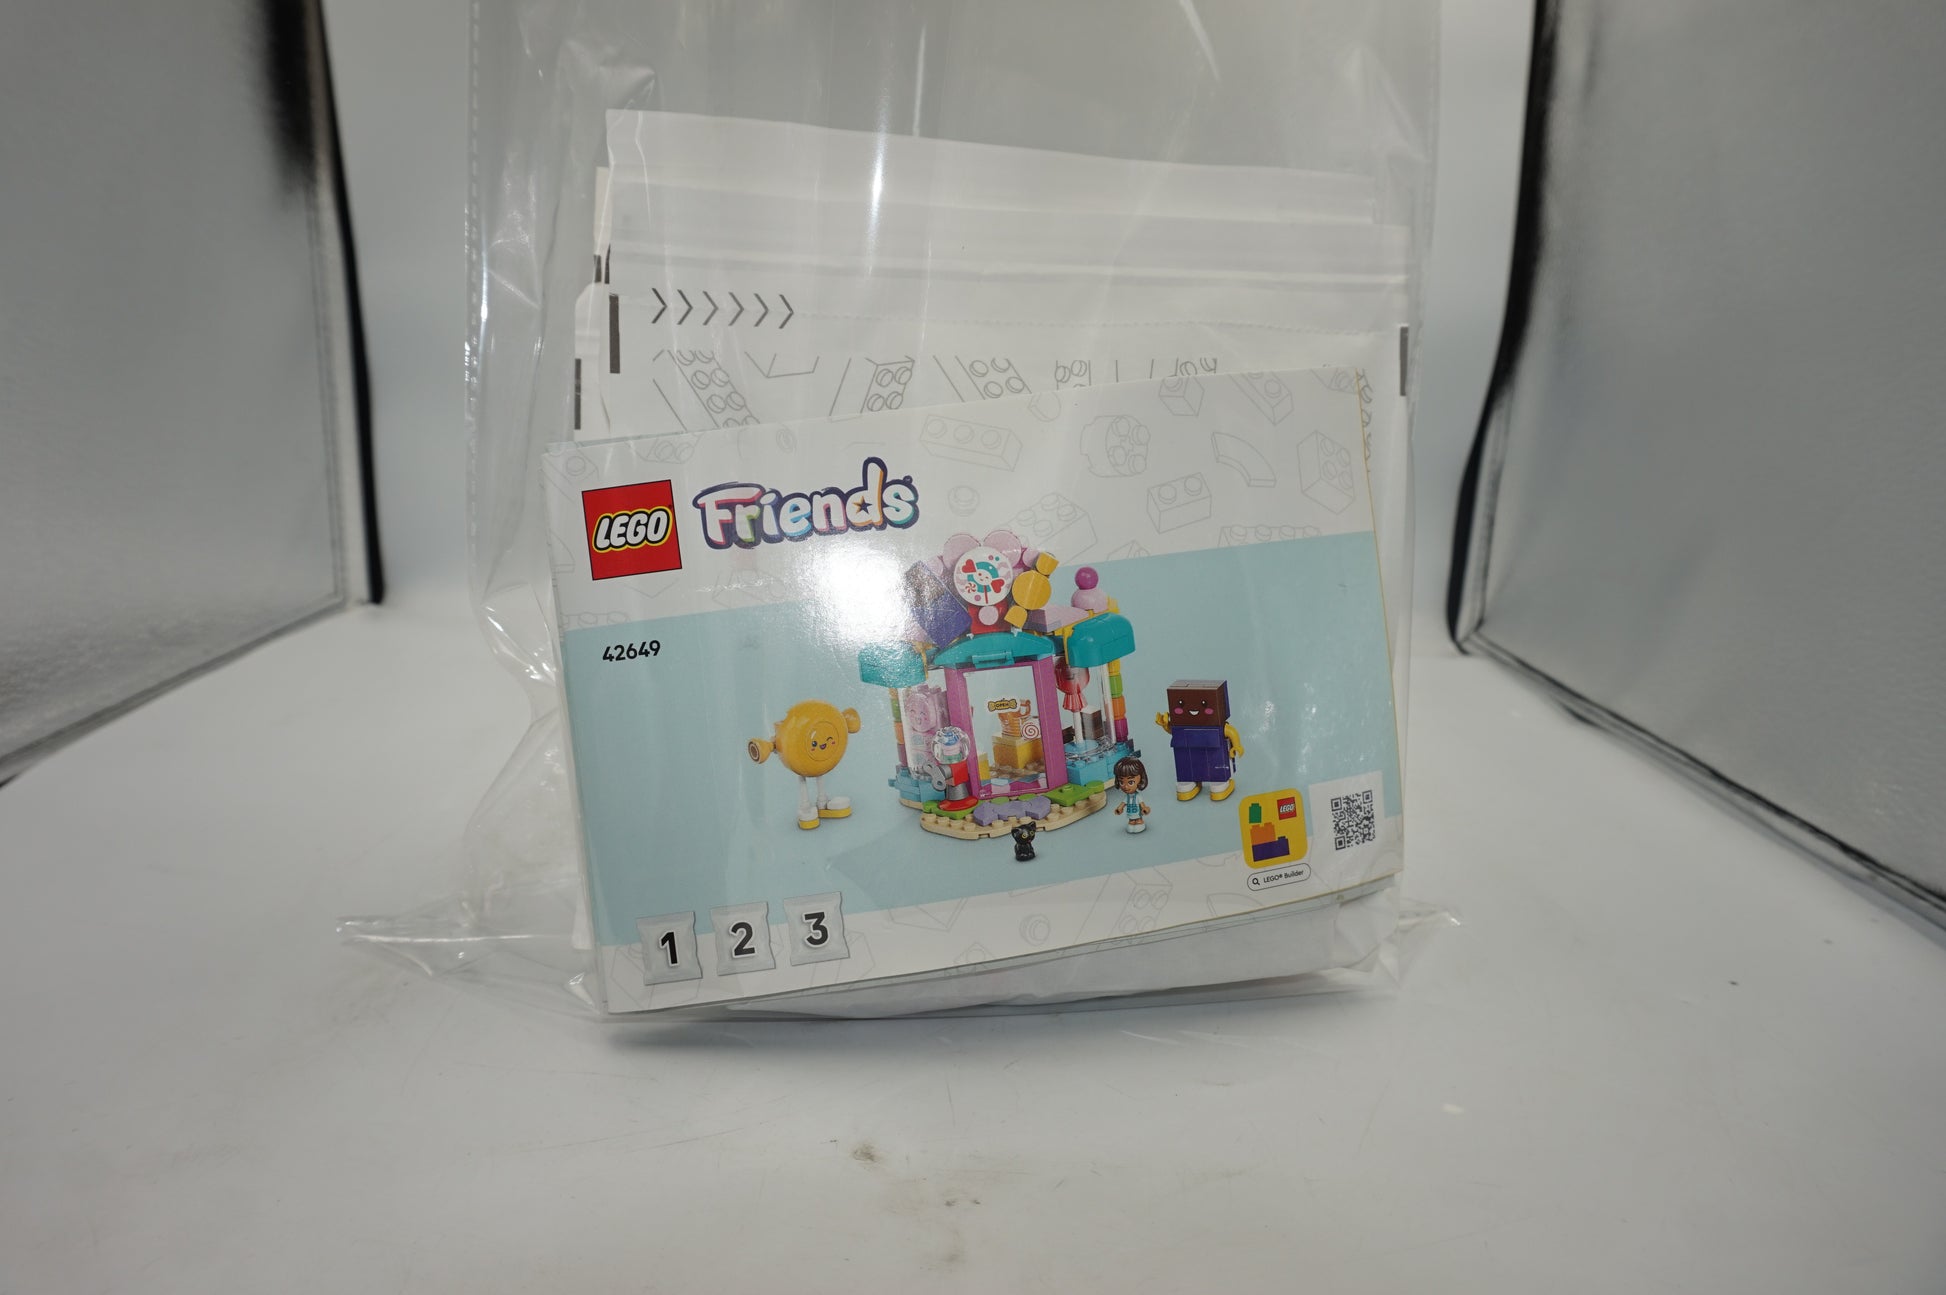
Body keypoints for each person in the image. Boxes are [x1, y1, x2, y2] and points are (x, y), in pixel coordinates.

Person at [1111, 756, 1151, 834]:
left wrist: (1144, 809)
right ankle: (1132, 822)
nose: (1125, 787)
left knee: (1138, 821)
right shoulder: (1127, 797)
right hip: (1130, 814)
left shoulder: (1138, 796)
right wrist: (1119, 809)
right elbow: (1123, 804)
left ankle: (1139, 821)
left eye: (1130, 782)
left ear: (1140, 779)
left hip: (1138, 814)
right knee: (1131, 823)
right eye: (1121, 782)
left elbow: (1142, 804)